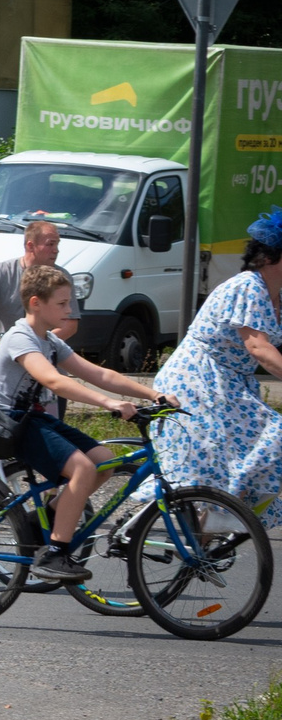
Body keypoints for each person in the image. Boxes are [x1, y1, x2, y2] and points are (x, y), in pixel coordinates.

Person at [0, 264, 168, 583]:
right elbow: (53, 380)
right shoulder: (19, 338)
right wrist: (108, 403)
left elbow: (99, 373)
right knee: (82, 469)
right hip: (7, 424)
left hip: (31, 419)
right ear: (36, 303)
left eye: (70, 303)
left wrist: (154, 394)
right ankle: (55, 553)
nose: (70, 311)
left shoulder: (50, 341)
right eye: (62, 304)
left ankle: (49, 519)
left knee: (103, 462)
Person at [147, 206, 282, 511]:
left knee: (239, 459)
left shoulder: (276, 296)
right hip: (199, 379)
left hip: (230, 385)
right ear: (275, 256)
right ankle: (220, 518)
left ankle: (215, 533)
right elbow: (259, 348)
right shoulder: (248, 287)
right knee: (224, 461)